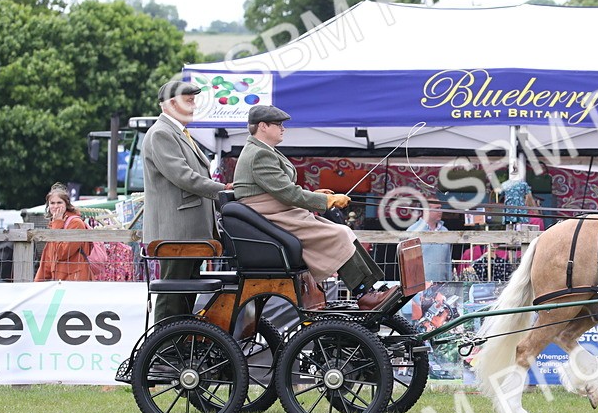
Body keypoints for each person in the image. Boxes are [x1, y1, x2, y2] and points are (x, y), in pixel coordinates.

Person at [233, 104, 391, 309]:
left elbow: (281, 188)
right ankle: (364, 294)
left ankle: (369, 289)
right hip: (270, 215)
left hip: (278, 211)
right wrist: (327, 202)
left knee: (342, 231)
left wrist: (315, 195)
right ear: (263, 126)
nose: (283, 128)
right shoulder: (259, 154)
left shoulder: (264, 150)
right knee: (338, 234)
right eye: (278, 124)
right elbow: (287, 193)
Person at [143, 81, 233, 320]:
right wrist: (222, 189)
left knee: (183, 293)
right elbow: (184, 176)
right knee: (173, 296)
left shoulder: (178, 133)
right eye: (189, 100)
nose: (194, 106)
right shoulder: (162, 133)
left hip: (187, 231)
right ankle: (163, 350)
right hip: (176, 232)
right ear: (172, 103)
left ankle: (176, 345)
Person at [34, 184, 92, 282]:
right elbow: (48, 260)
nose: (55, 206)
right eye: (52, 203)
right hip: (60, 280)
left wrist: (57, 224)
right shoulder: (53, 224)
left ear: (66, 204)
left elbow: (62, 253)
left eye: (59, 202)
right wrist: (36, 285)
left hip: (76, 279)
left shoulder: (76, 223)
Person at [408, 200, 451, 281]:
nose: (440, 211)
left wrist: (449, 281)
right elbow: (407, 264)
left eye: (440, 208)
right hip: (419, 285)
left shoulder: (445, 231)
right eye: (437, 208)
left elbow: (448, 260)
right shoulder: (413, 231)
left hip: (442, 285)